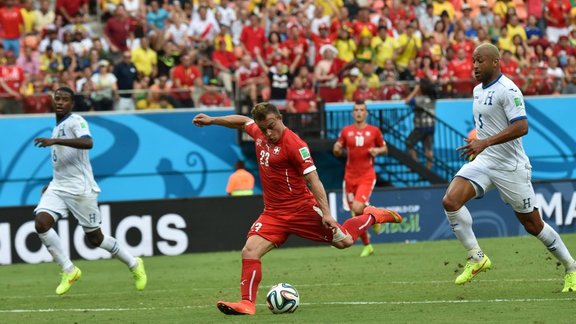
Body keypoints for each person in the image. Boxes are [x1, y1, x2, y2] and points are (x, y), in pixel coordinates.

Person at [192, 102, 402, 315]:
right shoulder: (259, 131)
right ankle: (247, 303)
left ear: (280, 118)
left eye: (271, 126)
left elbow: (314, 180)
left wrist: (326, 213)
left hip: (302, 209)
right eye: (263, 128)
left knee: (345, 241)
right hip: (273, 213)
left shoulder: (295, 144)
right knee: (249, 250)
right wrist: (212, 120)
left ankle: (373, 215)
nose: (268, 132)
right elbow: (242, 121)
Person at [442, 43, 576, 291]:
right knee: (450, 201)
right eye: (473, 61)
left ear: (495, 62)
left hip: (511, 166)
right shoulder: (476, 90)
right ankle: (477, 258)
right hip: (484, 160)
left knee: (533, 225)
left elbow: (522, 126)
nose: (474, 66)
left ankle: (571, 267)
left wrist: (485, 142)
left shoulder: (509, 90)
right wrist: (480, 144)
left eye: (479, 60)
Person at [33, 87, 147, 295]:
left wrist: (54, 141)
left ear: (72, 104)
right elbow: (63, 162)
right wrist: (52, 183)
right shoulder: (57, 127)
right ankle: (69, 270)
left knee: (95, 239)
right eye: (57, 98)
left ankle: (133, 263)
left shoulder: (76, 120)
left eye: (65, 99)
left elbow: (88, 142)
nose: (60, 102)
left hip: (80, 189)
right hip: (59, 186)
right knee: (41, 223)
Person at [333, 101, 388, 257]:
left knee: (357, 208)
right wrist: (336, 149)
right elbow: (337, 149)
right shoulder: (346, 131)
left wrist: (377, 150)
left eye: (361, 110)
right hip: (350, 176)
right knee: (355, 213)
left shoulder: (374, 131)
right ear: (352, 113)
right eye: (356, 110)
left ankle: (374, 217)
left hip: (366, 175)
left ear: (366, 113)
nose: (358, 112)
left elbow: (385, 149)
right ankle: (367, 245)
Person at [405, 78, 437, 170]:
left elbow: (407, 101)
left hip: (421, 127)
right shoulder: (432, 98)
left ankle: (416, 164)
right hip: (431, 126)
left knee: (409, 143)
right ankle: (428, 169)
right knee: (428, 148)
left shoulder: (420, 99)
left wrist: (415, 91)